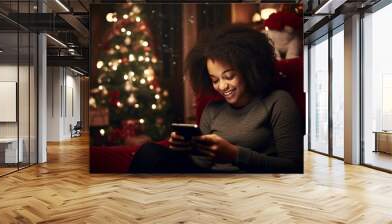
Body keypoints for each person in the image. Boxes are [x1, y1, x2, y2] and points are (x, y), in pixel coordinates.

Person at [129, 24, 303, 173]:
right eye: (215, 80)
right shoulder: (213, 109)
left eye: (229, 76)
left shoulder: (278, 102)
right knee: (149, 152)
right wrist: (186, 149)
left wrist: (235, 154)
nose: (222, 86)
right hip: (209, 186)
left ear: (249, 70)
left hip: (252, 188)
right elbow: (201, 164)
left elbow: (294, 167)